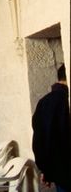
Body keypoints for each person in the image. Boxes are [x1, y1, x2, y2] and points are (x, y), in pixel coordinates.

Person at [32, 63, 71, 192]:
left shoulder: (44, 102)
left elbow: (40, 141)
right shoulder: (65, 100)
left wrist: (46, 170)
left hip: (60, 173)